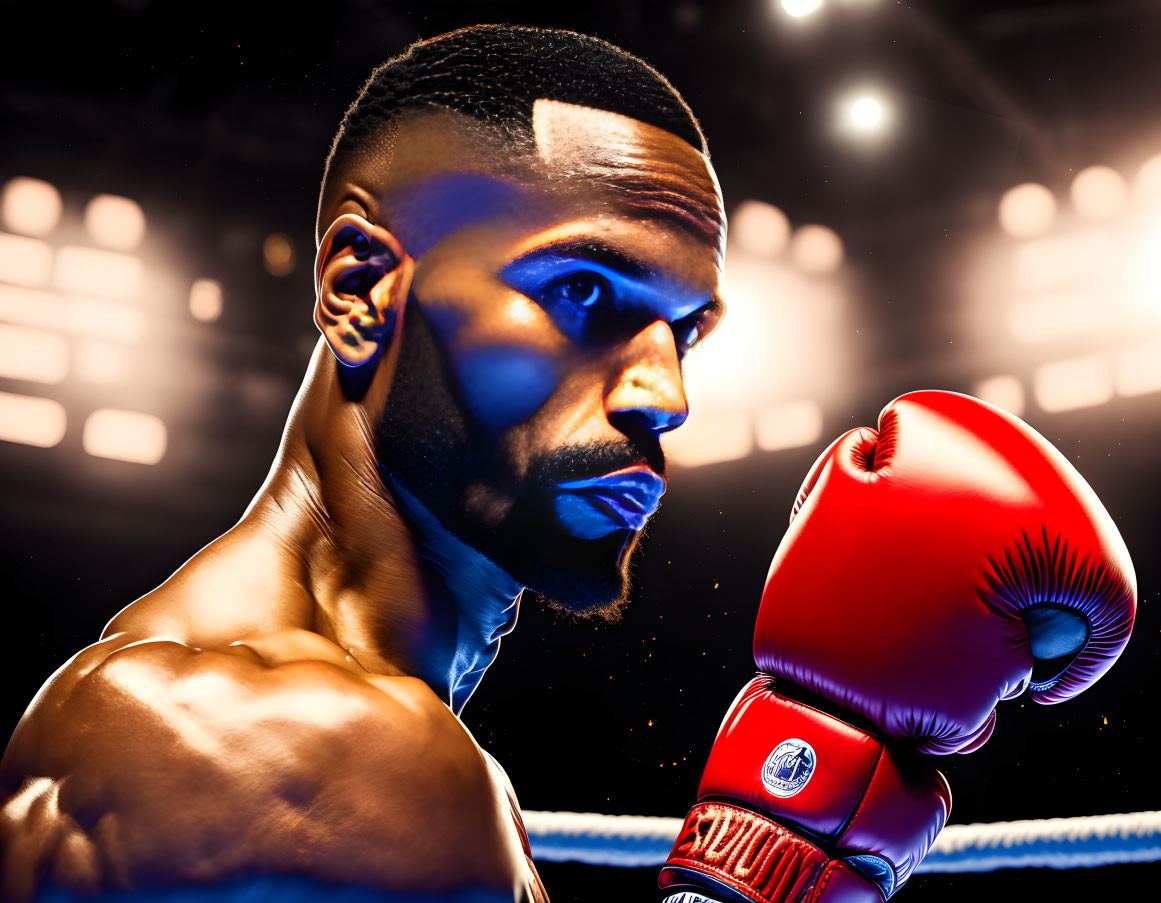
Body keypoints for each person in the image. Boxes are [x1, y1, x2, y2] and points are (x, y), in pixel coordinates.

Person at [0, 24, 726, 903]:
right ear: (359, 291)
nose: (665, 395)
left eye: (684, 332)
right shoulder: (326, 747)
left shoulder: (202, 703)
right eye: (581, 290)